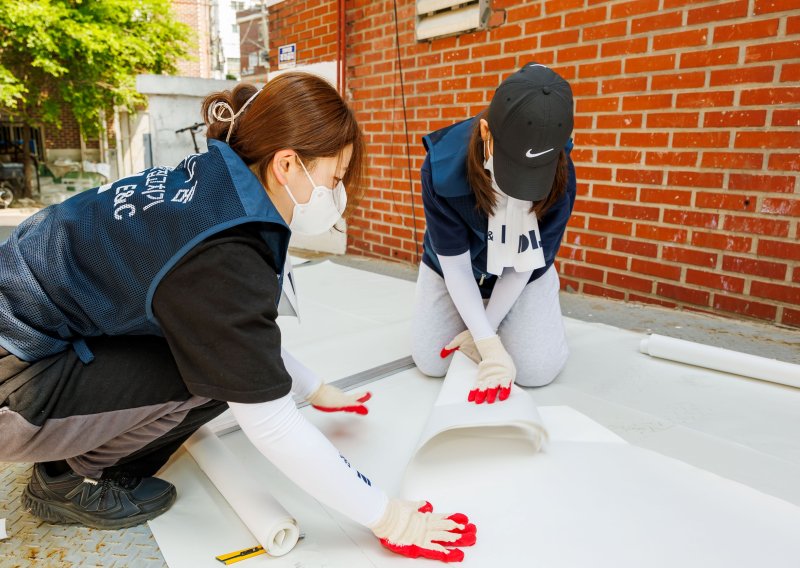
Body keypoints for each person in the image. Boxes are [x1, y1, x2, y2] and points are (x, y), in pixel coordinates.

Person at [0, 72, 475, 563]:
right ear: (288, 164)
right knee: (212, 379)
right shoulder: (223, 252)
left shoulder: (211, 180)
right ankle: (64, 478)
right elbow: (268, 419)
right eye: (335, 179)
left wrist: (311, 388)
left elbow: (221, 327)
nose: (338, 197)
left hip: (31, 335)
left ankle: (78, 451)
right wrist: (391, 517)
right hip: (12, 379)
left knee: (221, 363)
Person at [411, 63, 576, 404]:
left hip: (521, 269)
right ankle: (486, 316)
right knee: (430, 361)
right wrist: (488, 341)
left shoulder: (562, 174)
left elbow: (523, 266)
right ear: (486, 132)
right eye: (514, 167)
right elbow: (455, 267)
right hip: (456, 267)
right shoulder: (441, 166)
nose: (521, 186)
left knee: (536, 369)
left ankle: (509, 313)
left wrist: (481, 331)